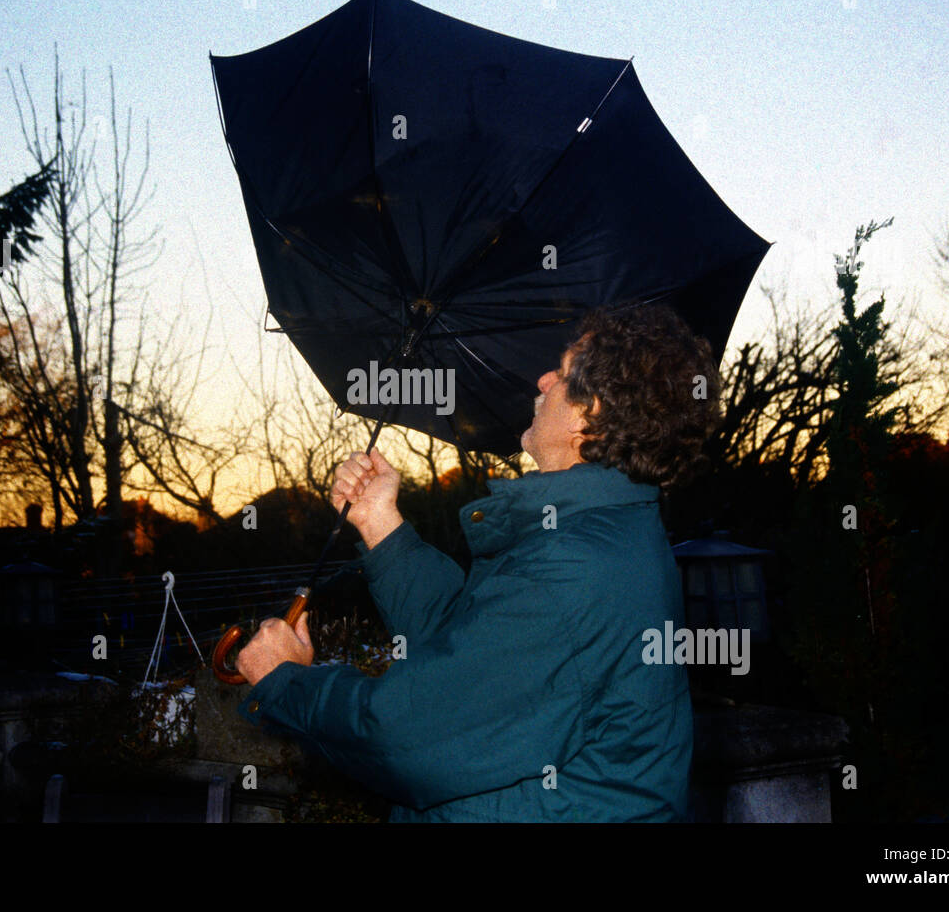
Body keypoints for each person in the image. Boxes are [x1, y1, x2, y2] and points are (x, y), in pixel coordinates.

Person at [236, 302, 722, 821]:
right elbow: (466, 652)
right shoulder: (597, 537)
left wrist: (285, 682)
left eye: (562, 372)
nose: (543, 379)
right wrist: (380, 525)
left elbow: (410, 735)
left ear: (592, 413)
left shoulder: (574, 565)